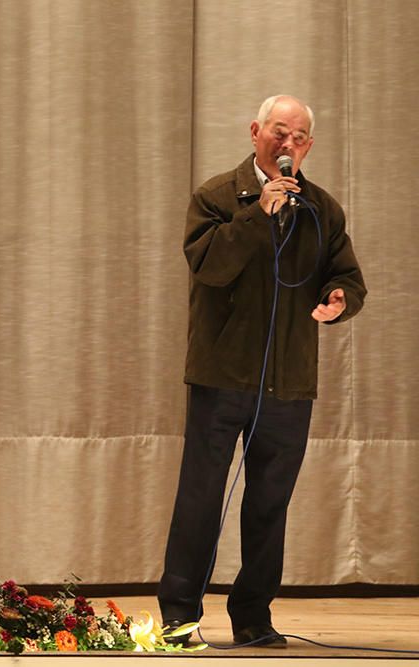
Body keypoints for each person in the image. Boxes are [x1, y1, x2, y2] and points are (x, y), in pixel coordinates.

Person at [158, 95, 366, 648]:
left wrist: (340, 297)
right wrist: (258, 214)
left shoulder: (322, 207)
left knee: (269, 504)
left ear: (309, 146)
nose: (288, 144)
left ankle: (253, 616)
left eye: (298, 137)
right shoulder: (217, 197)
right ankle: (179, 617)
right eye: (279, 132)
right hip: (221, 376)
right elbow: (208, 266)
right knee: (200, 498)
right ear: (255, 132)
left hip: (288, 382)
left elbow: (346, 273)